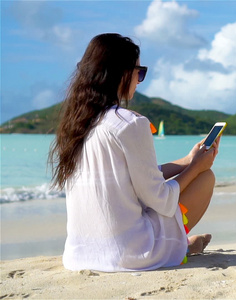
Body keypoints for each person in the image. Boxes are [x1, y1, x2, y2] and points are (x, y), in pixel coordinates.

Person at [48, 33, 218, 272]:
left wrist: (189, 161)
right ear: (122, 72)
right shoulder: (130, 123)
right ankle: (180, 246)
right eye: (139, 72)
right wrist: (197, 169)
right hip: (130, 254)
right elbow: (160, 199)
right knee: (205, 179)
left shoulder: (75, 125)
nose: (139, 81)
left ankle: (181, 243)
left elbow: (128, 178)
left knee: (193, 174)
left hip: (79, 255)